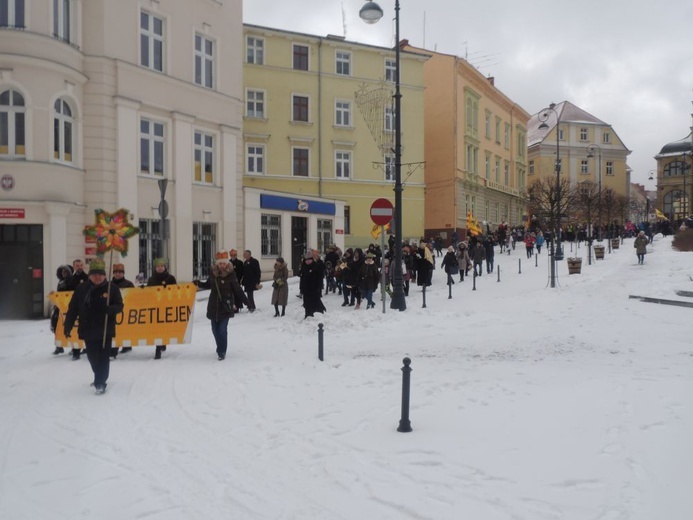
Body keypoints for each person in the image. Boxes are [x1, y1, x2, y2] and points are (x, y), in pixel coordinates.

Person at [63, 259, 124, 395]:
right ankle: (98, 375)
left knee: (103, 356)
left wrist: (111, 309)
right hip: (88, 328)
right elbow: (73, 308)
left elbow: (120, 305)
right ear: (90, 275)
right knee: (92, 356)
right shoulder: (82, 289)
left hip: (105, 329)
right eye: (95, 274)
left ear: (105, 275)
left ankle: (100, 382)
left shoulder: (111, 288)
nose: (98, 277)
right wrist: (68, 325)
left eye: (101, 274)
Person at [196, 250, 245, 360]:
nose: (222, 265)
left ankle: (222, 351)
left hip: (225, 306)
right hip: (213, 306)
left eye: (224, 263)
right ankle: (220, 346)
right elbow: (208, 284)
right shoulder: (213, 273)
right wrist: (198, 284)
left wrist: (248, 303)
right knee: (214, 330)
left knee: (222, 330)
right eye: (220, 263)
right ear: (217, 264)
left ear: (227, 263)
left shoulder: (231, 275)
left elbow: (237, 290)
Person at [147, 258, 177, 359]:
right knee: (157, 328)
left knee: (164, 327)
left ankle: (162, 342)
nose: (160, 268)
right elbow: (148, 292)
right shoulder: (151, 280)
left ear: (165, 267)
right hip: (155, 307)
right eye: (158, 266)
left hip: (166, 307)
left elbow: (175, 292)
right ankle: (158, 348)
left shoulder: (171, 278)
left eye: (161, 266)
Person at [109, 263, 135, 358]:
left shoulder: (129, 284)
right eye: (116, 272)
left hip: (126, 311)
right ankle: (113, 350)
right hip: (114, 311)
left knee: (125, 329)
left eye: (120, 272)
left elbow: (133, 296)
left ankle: (126, 345)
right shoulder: (109, 284)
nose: (118, 274)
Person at [65, 259, 89, 360]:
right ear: (74, 267)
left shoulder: (88, 278)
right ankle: (76, 351)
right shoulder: (70, 279)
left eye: (81, 265)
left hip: (85, 308)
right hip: (74, 306)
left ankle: (87, 348)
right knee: (74, 330)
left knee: (85, 329)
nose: (79, 267)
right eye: (77, 265)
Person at [50, 264, 73, 355]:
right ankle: (59, 346)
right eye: (63, 272)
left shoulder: (72, 282)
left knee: (71, 327)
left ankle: (73, 346)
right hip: (59, 307)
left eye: (66, 272)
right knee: (56, 325)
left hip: (69, 307)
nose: (64, 273)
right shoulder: (60, 282)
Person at [299, 252, 326, 318]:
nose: (308, 261)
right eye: (306, 260)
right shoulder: (304, 267)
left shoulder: (316, 266)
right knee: (307, 302)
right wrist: (301, 289)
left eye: (309, 260)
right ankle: (308, 314)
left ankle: (319, 312)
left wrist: (319, 288)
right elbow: (301, 278)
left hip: (314, 288)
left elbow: (320, 277)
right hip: (306, 288)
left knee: (315, 301)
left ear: (312, 260)